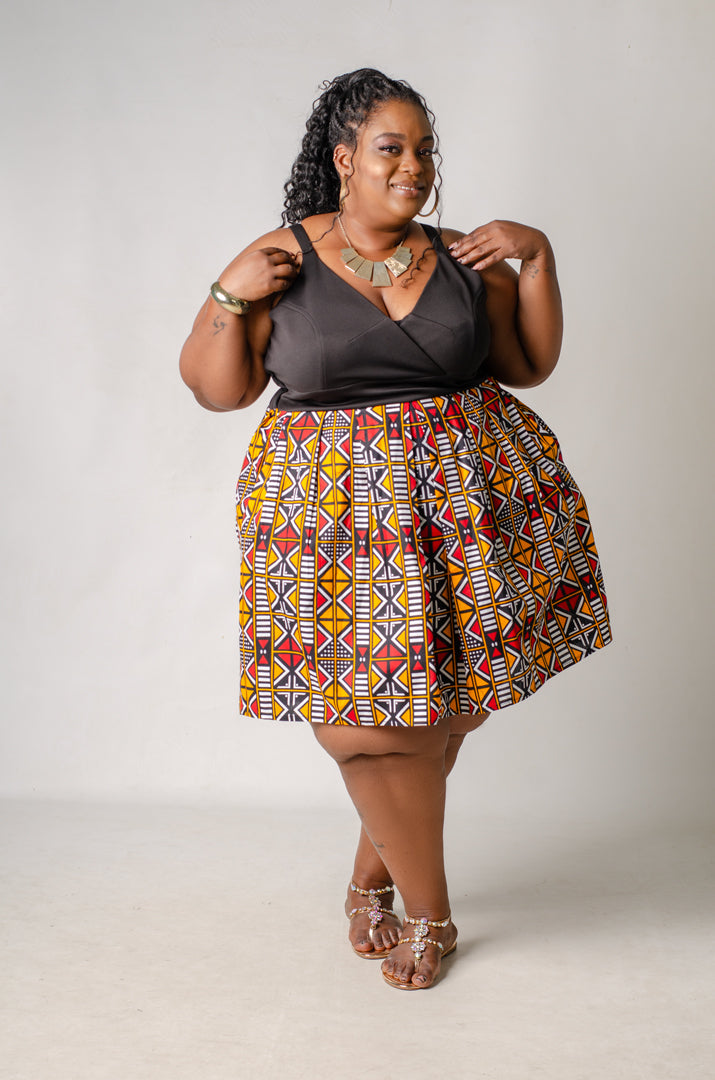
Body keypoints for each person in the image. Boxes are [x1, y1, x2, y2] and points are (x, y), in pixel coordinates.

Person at [179, 68, 612, 991]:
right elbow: (220, 391)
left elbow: (527, 365)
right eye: (390, 148)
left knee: (443, 710)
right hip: (331, 528)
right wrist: (226, 294)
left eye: (424, 150)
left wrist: (537, 259)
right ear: (344, 158)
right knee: (359, 730)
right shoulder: (279, 256)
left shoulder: (464, 257)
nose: (413, 166)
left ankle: (371, 878)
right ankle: (432, 913)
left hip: (465, 510)